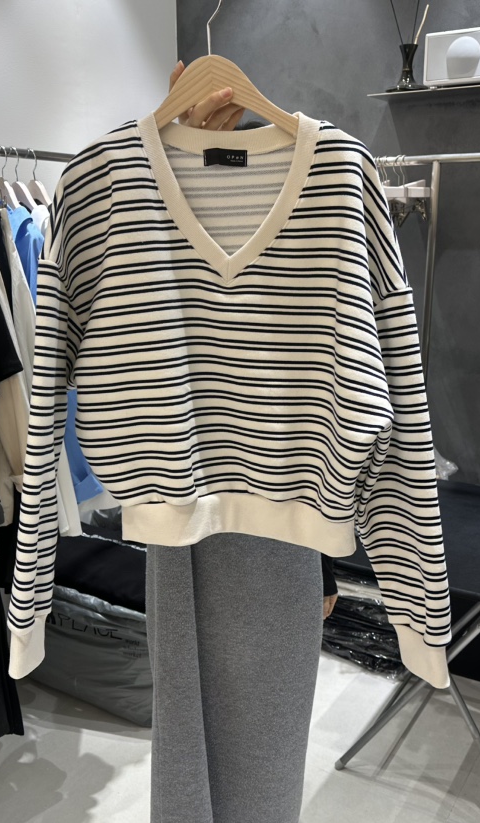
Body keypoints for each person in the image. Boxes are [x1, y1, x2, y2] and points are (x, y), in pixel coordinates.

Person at [168, 60, 340, 621]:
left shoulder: (326, 196)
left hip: (287, 517)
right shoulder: (134, 198)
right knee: (184, 663)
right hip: (179, 506)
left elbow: (325, 394)